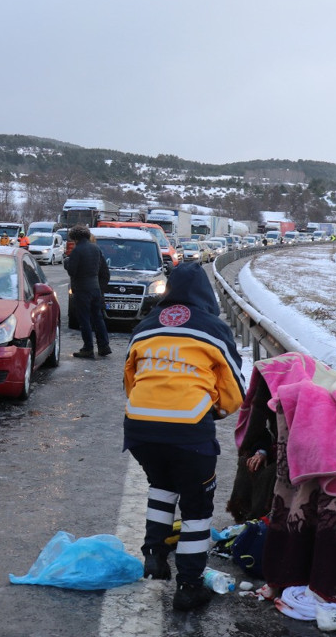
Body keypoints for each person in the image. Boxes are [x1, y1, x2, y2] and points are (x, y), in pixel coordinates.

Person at [121, 261, 245, 612]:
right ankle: (189, 586)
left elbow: (130, 379)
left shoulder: (145, 327)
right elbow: (235, 390)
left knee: (162, 486)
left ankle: (155, 556)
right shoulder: (213, 329)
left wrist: (147, 411)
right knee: (196, 507)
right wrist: (213, 411)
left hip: (140, 427)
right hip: (189, 430)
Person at [63, 225, 110, 359]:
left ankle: (88, 348)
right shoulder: (96, 248)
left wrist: (67, 262)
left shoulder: (77, 250)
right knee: (98, 317)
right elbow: (102, 269)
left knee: (84, 319)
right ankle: (104, 346)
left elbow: (72, 271)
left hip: (82, 289)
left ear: (75, 237)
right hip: (95, 289)